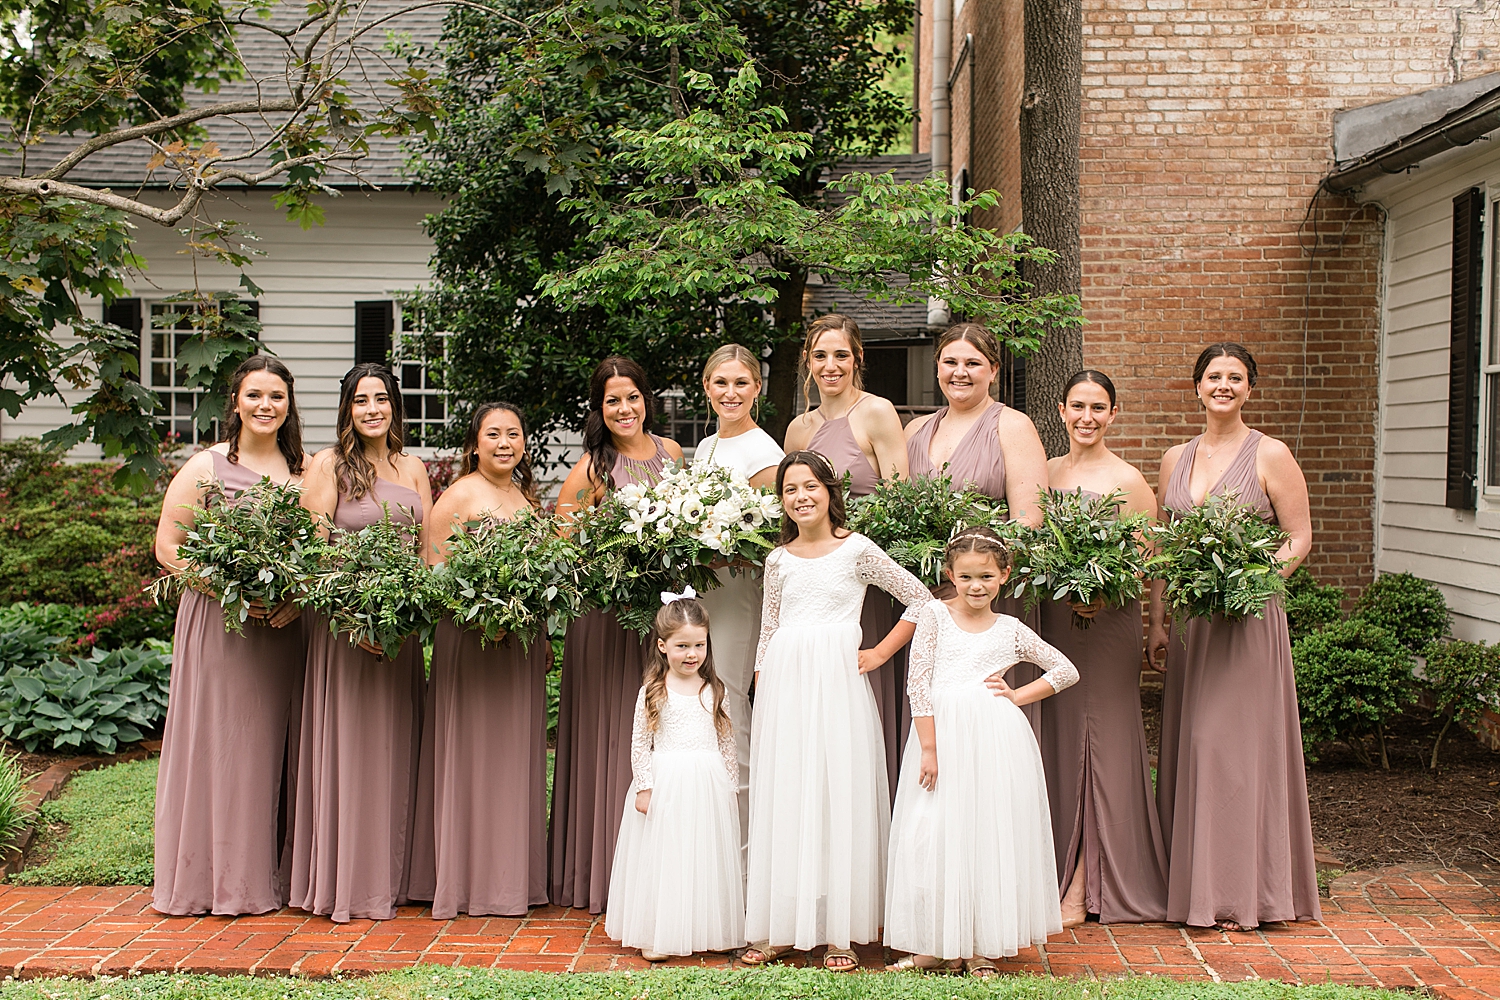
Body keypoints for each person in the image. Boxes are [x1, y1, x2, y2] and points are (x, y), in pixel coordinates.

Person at [1146, 342, 1321, 931]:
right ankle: (1196, 885)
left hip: (1247, 622)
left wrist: (1250, 582)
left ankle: (1243, 891)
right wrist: (1159, 618)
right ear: (1197, 387)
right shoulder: (1175, 458)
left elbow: (1299, 537)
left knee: (1232, 750)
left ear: (1250, 388)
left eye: (1235, 377)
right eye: (1213, 376)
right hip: (1194, 625)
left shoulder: (1271, 453)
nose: (1223, 385)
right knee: (1192, 745)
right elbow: (1165, 548)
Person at [740, 451, 932, 972]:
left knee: (835, 793)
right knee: (788, 794)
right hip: (785, 684)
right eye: (789, 490)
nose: (801, 497)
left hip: (838, 683)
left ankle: (840, 932)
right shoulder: (777, 559)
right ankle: (782, 925)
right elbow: (769, 627)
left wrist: (880, 652)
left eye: (810, 486)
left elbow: (920, 600)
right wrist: (762, 684)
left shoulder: (856, 550)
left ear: (829, 490)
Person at [152, 356, 307, 916]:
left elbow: (317, 549)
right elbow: (169, 545)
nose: (266, 406)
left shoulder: (305, 471)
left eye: (277, 396)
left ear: (290, 405)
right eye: (255, 395)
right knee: (227, 746)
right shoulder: (207, 466)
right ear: (236, 403)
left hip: (285, 631)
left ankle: (282, 876)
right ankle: (218, 880)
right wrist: (225, 590)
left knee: (282, 746)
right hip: (222, 626)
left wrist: (295, 598)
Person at [885, 527, 1077, 975]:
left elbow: (1065, 670)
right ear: (950, 574)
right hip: (941, 737)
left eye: (986, 576)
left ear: (1004, 576)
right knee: (933, 833)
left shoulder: (1011, 629)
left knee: (984, 833)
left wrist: (1016, 696)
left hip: (994, 738)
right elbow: (919, 684)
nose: (976, 586)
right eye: (967, 576)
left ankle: (978, 947)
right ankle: (935, 942)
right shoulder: (933, 615)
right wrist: (929, 748)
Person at [289, 363, 433, 922]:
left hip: (400, 634)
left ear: (395, 406)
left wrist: (410, 616)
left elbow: (424, 553)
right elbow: (314, 549)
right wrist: (355, 619)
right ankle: (347, 880)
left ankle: (394, 875)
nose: (372, 409)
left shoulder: (414, 467)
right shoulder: (328, 466)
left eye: (382, 399)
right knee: (351, 751)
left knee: (397, 748)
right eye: (361, 400)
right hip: (346, 630)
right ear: (347, 408)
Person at [550, 356, 685, 913]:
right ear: (599, 409)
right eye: (612, 400)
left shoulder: (673, 456)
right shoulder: (591, 468)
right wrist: (613, 559)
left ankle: (662, 867)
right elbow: (564, 540)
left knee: (662, 731)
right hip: (606, 620)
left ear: (646, 399)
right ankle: (602, 870)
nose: (623, 408)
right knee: (611, 732)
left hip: (659, 616)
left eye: (631, 397)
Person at [408, 403, 550, 918]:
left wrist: (541, 633)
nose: (505, 442)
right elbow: (434, 570)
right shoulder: (460, 495)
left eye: (514, 433)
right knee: (472, 756)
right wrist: (483, 609)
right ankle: (468, 880)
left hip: (519, 648)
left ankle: (511, 877)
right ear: (474, 444)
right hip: (472, 643)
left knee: (513, 759)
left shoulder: (523, 497)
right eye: (493, 434)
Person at [1038, 371, 1169, 926]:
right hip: (1055, 620)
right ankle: (1053, 867)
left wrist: (1145, 616)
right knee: (1062, 736)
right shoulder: (1043, 473)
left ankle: (1091, 880)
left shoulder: (1130, 480)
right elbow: (1031, 544)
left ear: (1113, 414)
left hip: (1110, 622)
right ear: (1062, 411)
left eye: (1098, 408)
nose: (1086, 417)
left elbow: (1149, 560)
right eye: (1077, 407)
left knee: (1106, 740)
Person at [783, 314, 912, 798]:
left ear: (857, 358)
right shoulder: (799, 429)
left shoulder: (877, 412)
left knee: (863, 695)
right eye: (820, 355)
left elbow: (903, 500)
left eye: (841, 354)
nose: (830, 365)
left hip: (865, 579)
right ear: (808, 363)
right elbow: (791, 501)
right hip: (816, 588)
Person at [905, 323, 1049, 735]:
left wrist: (972, 578)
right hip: (930, 593)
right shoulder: (914, 431)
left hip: (986, 594)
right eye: (950, 362)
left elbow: (1029, 517)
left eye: (973, 363)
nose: (960, 372)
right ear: (937, 368)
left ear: (994, 370)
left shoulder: (1012, 425)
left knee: (985, 711)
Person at [605, 590, 744, 961]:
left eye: (699, 644)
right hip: (666, 780)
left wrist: (730, 785)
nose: (692, 654)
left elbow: (726, 742)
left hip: (707, 780)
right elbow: (640, 742)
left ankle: (705, 926)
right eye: (682, 646)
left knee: (703, 853)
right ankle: (658, 931)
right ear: (663, 646)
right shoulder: (652, 691)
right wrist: (645, 787)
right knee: (666, 855)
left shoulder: (715, 689)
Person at [692, 343, 783, 856]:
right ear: (707, 388)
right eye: (721, 383)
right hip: (705, 590)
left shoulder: (763, 452)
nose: (730, 393)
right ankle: (714, 823)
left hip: (739, 591)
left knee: (730, 700)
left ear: (756, 389)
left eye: (741, 383)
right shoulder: (705, 448)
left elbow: (771, 537)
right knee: (705, 698)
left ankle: (745, 845)